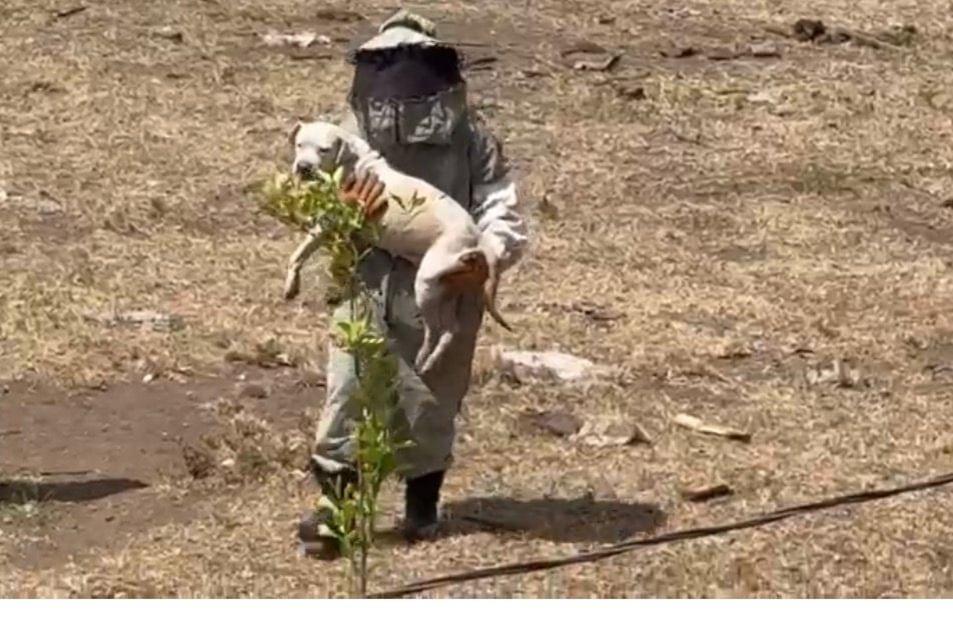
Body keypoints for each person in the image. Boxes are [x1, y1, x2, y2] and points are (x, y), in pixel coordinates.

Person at [290, 10, 529, 559]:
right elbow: (304, 199)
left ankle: (421, 510)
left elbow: (500, 206)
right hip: (366, 278)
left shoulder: (472, 139)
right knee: (350, 387)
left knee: (430, 394)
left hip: (445, 281)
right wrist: (337, 205)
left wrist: (486, 257)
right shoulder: (339, 138)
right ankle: (337, 515)